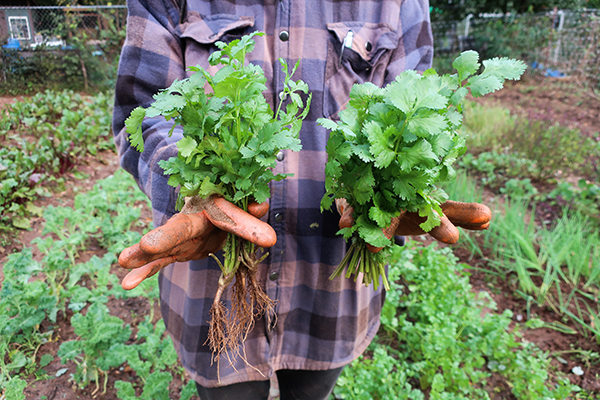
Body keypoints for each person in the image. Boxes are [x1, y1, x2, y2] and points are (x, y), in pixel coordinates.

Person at [113, 0, 491, 399]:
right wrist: (189, 189)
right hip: (209, 297)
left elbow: (416, 101)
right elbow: (141, 109)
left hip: (330, 301)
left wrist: (393, 193)